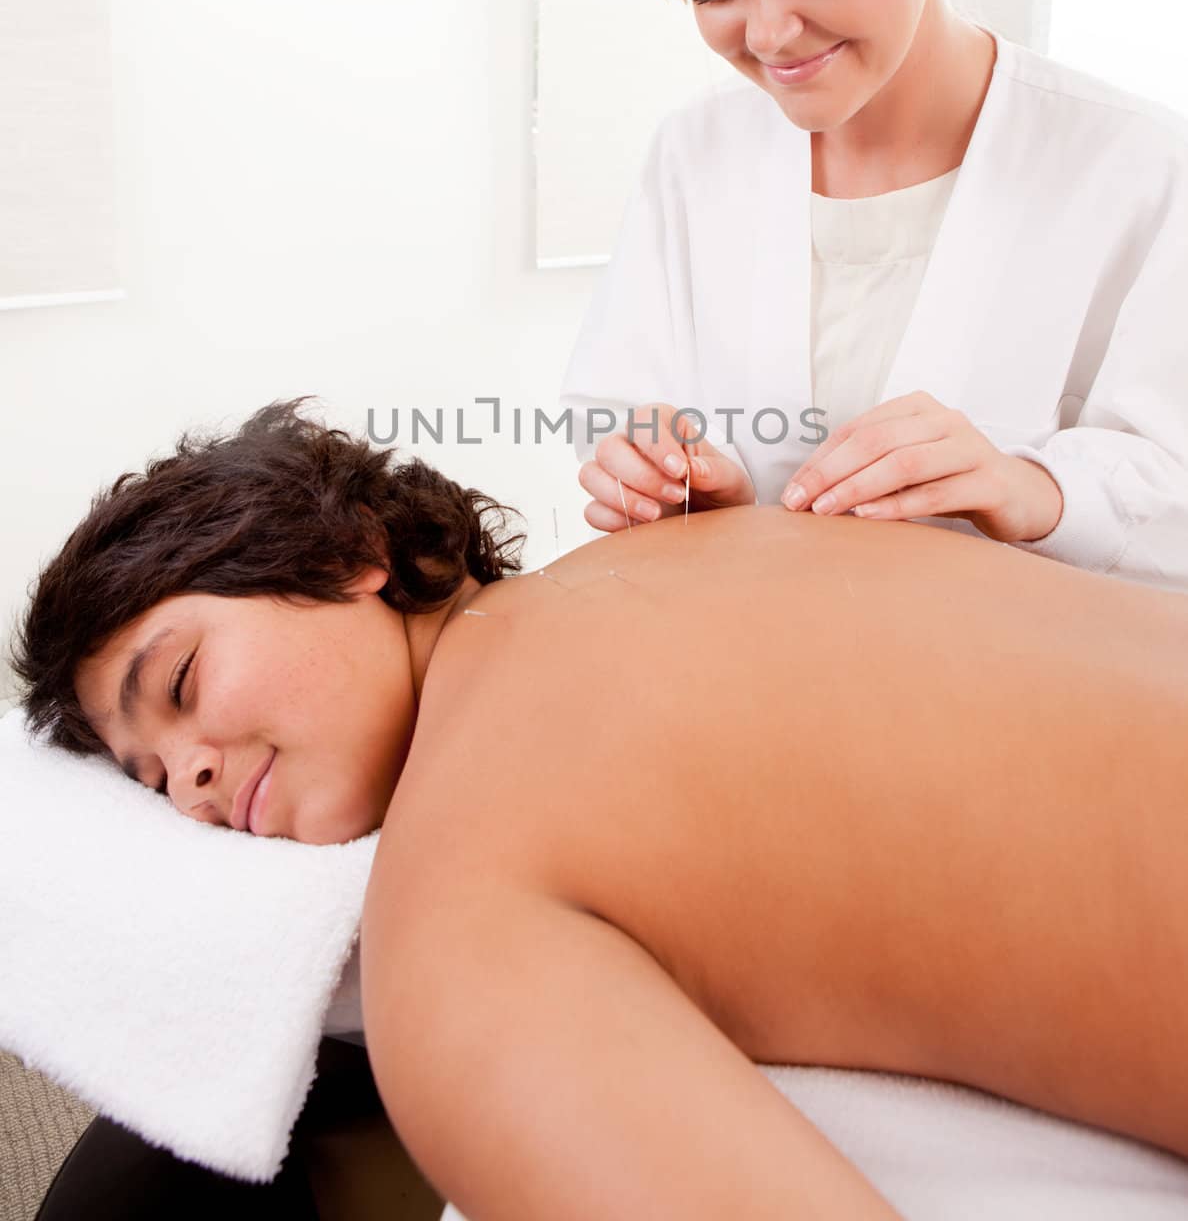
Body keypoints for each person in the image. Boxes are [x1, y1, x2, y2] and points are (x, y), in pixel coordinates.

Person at [12, 399, 1188, 1218]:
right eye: (156, 783)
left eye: (179, 686)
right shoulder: (729, 538)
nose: (196, 784)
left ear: (346, 553)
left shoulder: (461, 908)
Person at [560, 0, 1188, 593]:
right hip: (748, 690)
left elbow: (1170, 495)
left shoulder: (1136, 169)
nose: (768, 33)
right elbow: (622, 418)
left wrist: (1033, 489)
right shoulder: (696, 159)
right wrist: (674, 489)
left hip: (1017, 714)